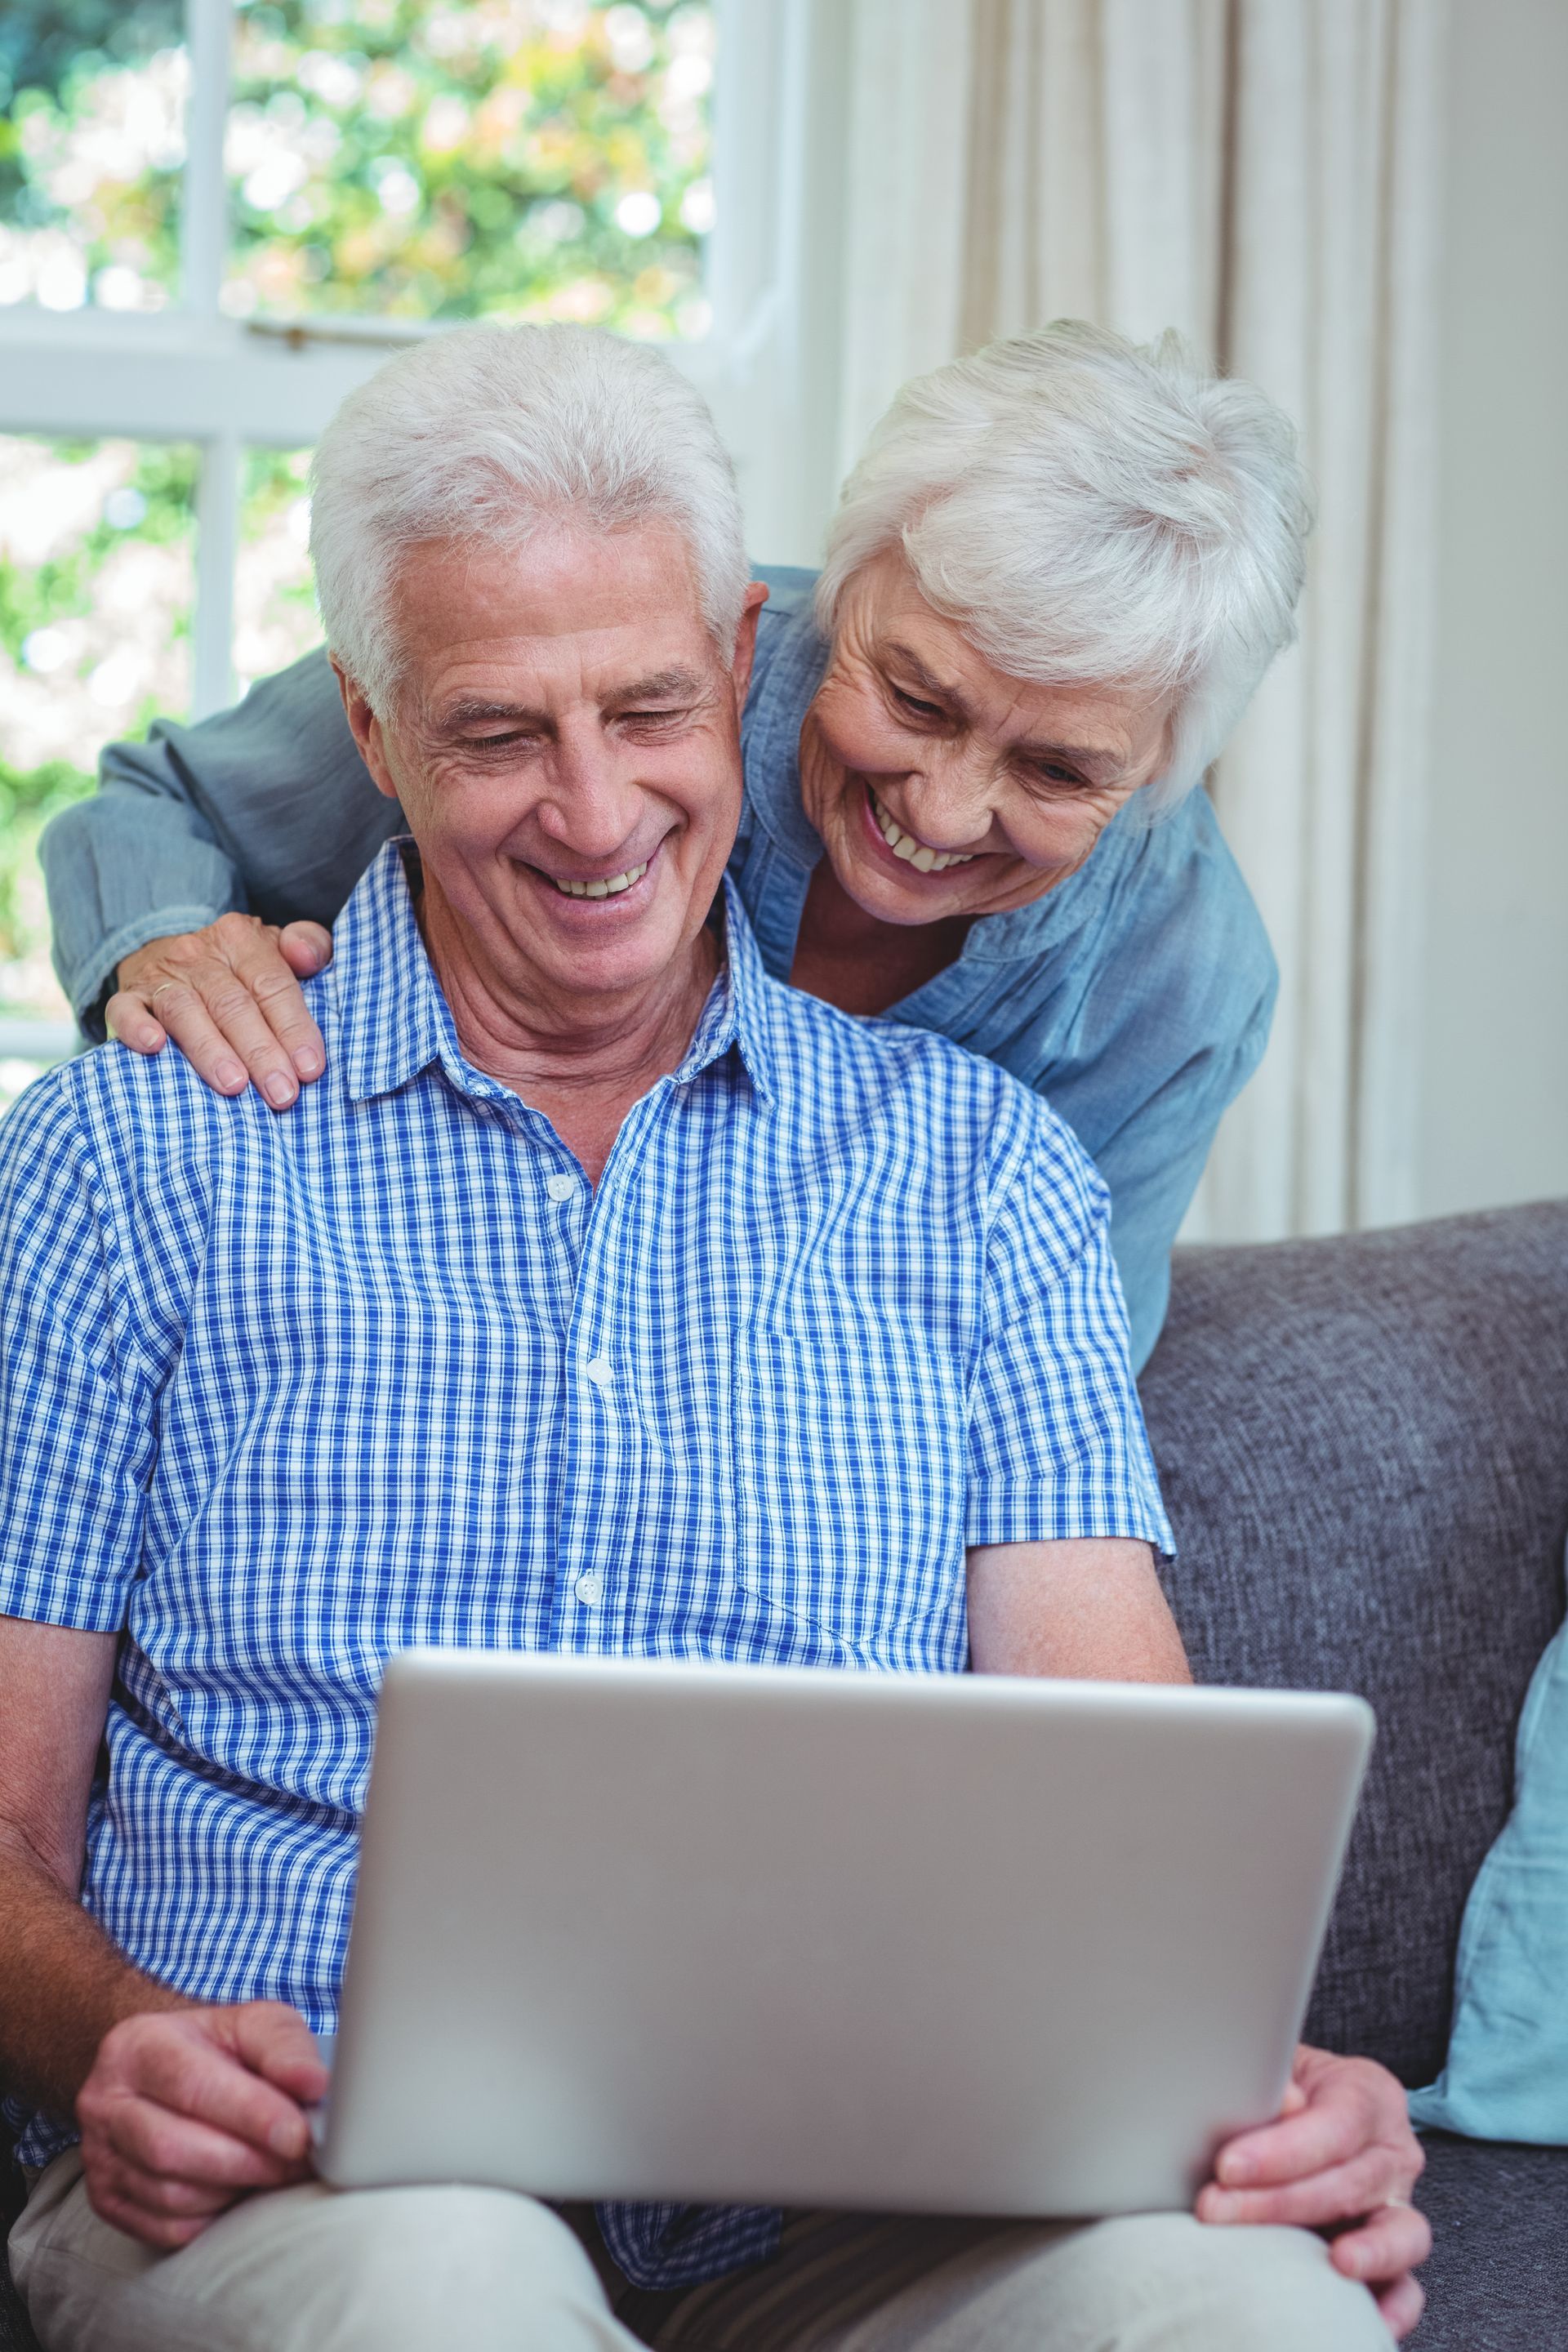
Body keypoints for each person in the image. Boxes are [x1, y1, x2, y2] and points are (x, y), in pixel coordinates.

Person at [0, 324, 1426, 2352]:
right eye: (501, 733)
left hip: (851, 2198)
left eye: (651, 713)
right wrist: (120, 2042)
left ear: (731, 669)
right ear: (378, 736)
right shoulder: (132, 1153)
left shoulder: (1005, 1160)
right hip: (312, 2177)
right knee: (450, 2281)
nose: (595, 813)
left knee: (1252, 2307)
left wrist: (1258, 2094)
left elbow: (1112, 1805)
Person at [41, 319, 1307, 1370]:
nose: (941, 813)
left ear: (1161, 768)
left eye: (1057, 769)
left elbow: (1044, 1395)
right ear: (827, 601)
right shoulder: (616, 656)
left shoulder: (1183, 980)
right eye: (917, 701)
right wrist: (169, 948)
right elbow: (153, 806)